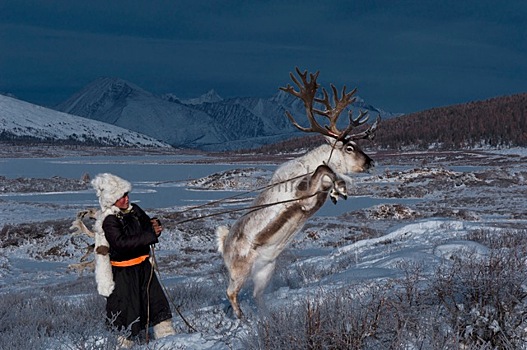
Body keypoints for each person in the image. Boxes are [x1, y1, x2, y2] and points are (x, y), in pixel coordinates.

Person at [91, 173, 175, 347]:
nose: (126, 199)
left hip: (144, 269)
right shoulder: (109, 221)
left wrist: (154, 225)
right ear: (111, 200)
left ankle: (170, 343)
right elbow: (121, 244)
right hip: (124, 275)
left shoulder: (135, 210)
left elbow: (145, 225)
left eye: (126, 194)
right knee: (126, 315)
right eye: (121, 197)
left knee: (157, 306)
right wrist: (150, 235)